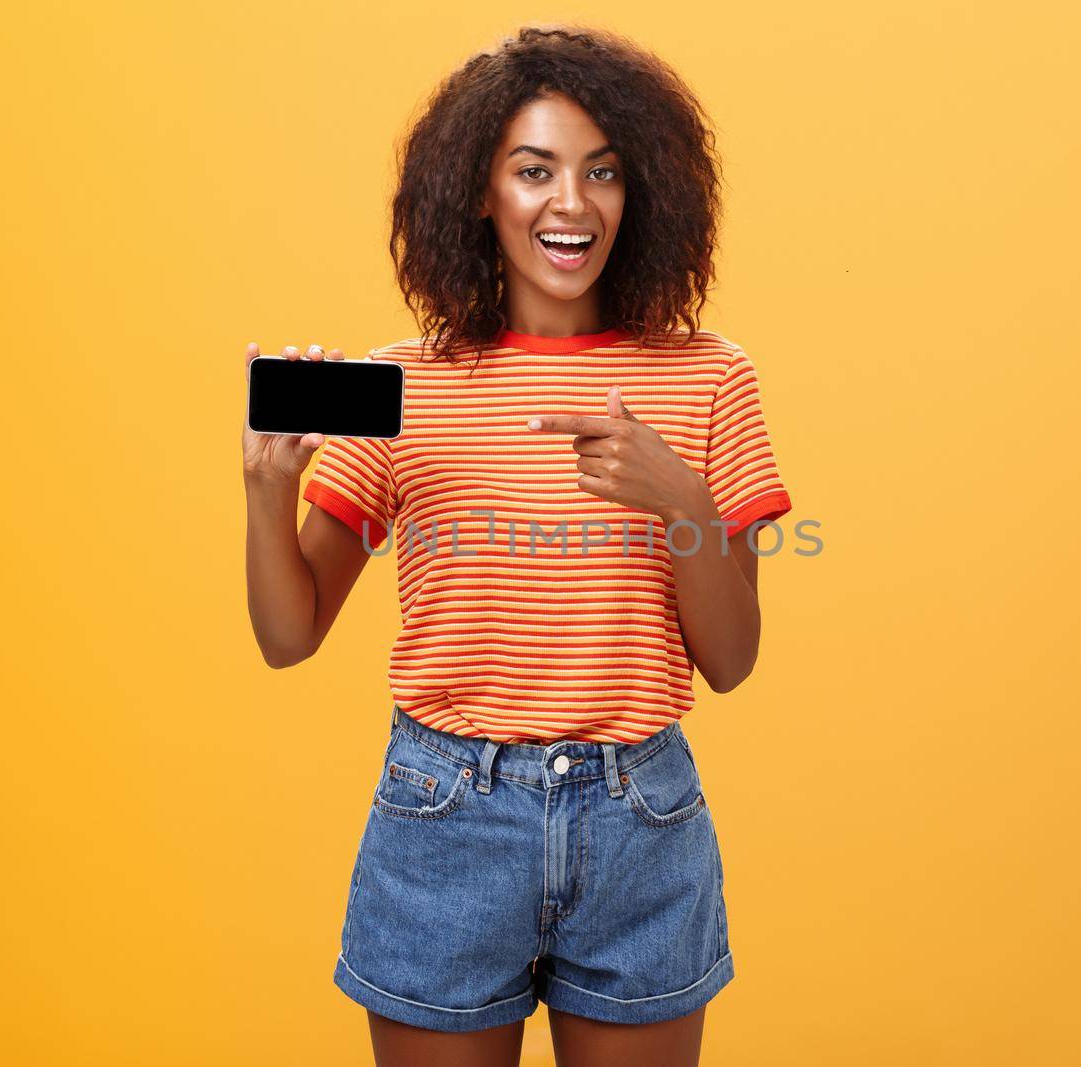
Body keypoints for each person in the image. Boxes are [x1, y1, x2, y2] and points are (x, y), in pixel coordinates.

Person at [242, 24, 792, 1067]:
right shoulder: (407, 382)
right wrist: (267, 491)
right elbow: (287, 632)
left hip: (641, 819)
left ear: (642, 195)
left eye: (603, 173)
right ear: (479, 193)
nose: (570, 204)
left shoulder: (709, 377)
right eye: (533, 171)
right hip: (446, 812)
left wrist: (673, 490)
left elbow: (732, 658)